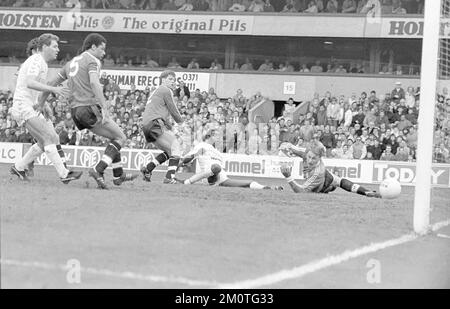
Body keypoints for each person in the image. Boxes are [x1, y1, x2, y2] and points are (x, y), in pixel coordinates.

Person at [44, 33, 138, 189]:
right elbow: (95, 83)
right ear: (93, 47)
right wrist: (106, 109)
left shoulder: (70, 63)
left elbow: (52, 83)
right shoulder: (92, 60)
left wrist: (40, 102)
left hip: (76, 112)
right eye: (102, 49)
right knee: (121, 137)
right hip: (89, 107)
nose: (104, 53)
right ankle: (98, 169)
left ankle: (118, 174)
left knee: (114, 137)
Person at [10, 33, 82, 183]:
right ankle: (64, 174)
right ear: (43, 47)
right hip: (23, 106)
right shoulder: (36, 60)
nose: (58, 49)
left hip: (30, 105)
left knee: (51, 138)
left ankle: (19, 166)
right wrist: (54, 89)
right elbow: (29, 82)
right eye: (55, 46)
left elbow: (34, 87)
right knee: (47, 138)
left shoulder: (42, 63)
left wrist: (45, 105)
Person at [174, 133, 283, 190]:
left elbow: (189, 158)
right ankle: (187, 182)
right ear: (208, 137)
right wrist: (178, 166)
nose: (218, 139)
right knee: (216, 168)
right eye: (215, 136)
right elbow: (189, 158)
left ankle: (265, 188)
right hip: (212, 178)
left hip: (221, 179)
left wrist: (176, 168)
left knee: (248, 183)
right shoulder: (207, 147)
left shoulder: (212, 150)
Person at [279, 141, 381, 198]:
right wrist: (285, 147)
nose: (309, 160)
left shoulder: (318, 172)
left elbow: (301, 192)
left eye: (314, 158)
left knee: (318, 192)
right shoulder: (305, 152)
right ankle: (367, 192)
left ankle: (328, 188)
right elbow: (288, 146)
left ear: (320, 157)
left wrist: (289, 177)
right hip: (326, 176)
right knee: (338, 181)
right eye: (309, 157)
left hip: (321, 181)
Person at [140, 70, 185, 184]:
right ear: (163, 80)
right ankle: (169, 177)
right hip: (154, 123)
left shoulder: (156, 92)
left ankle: (148, 169)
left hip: (147, 125)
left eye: (174, 80)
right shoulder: (166, 90)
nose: (173, 82)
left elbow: (163, 116)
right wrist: (181, 123)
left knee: (170, 151)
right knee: (176, 147)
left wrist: (172, 129)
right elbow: (173, 109)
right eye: (170, 79)